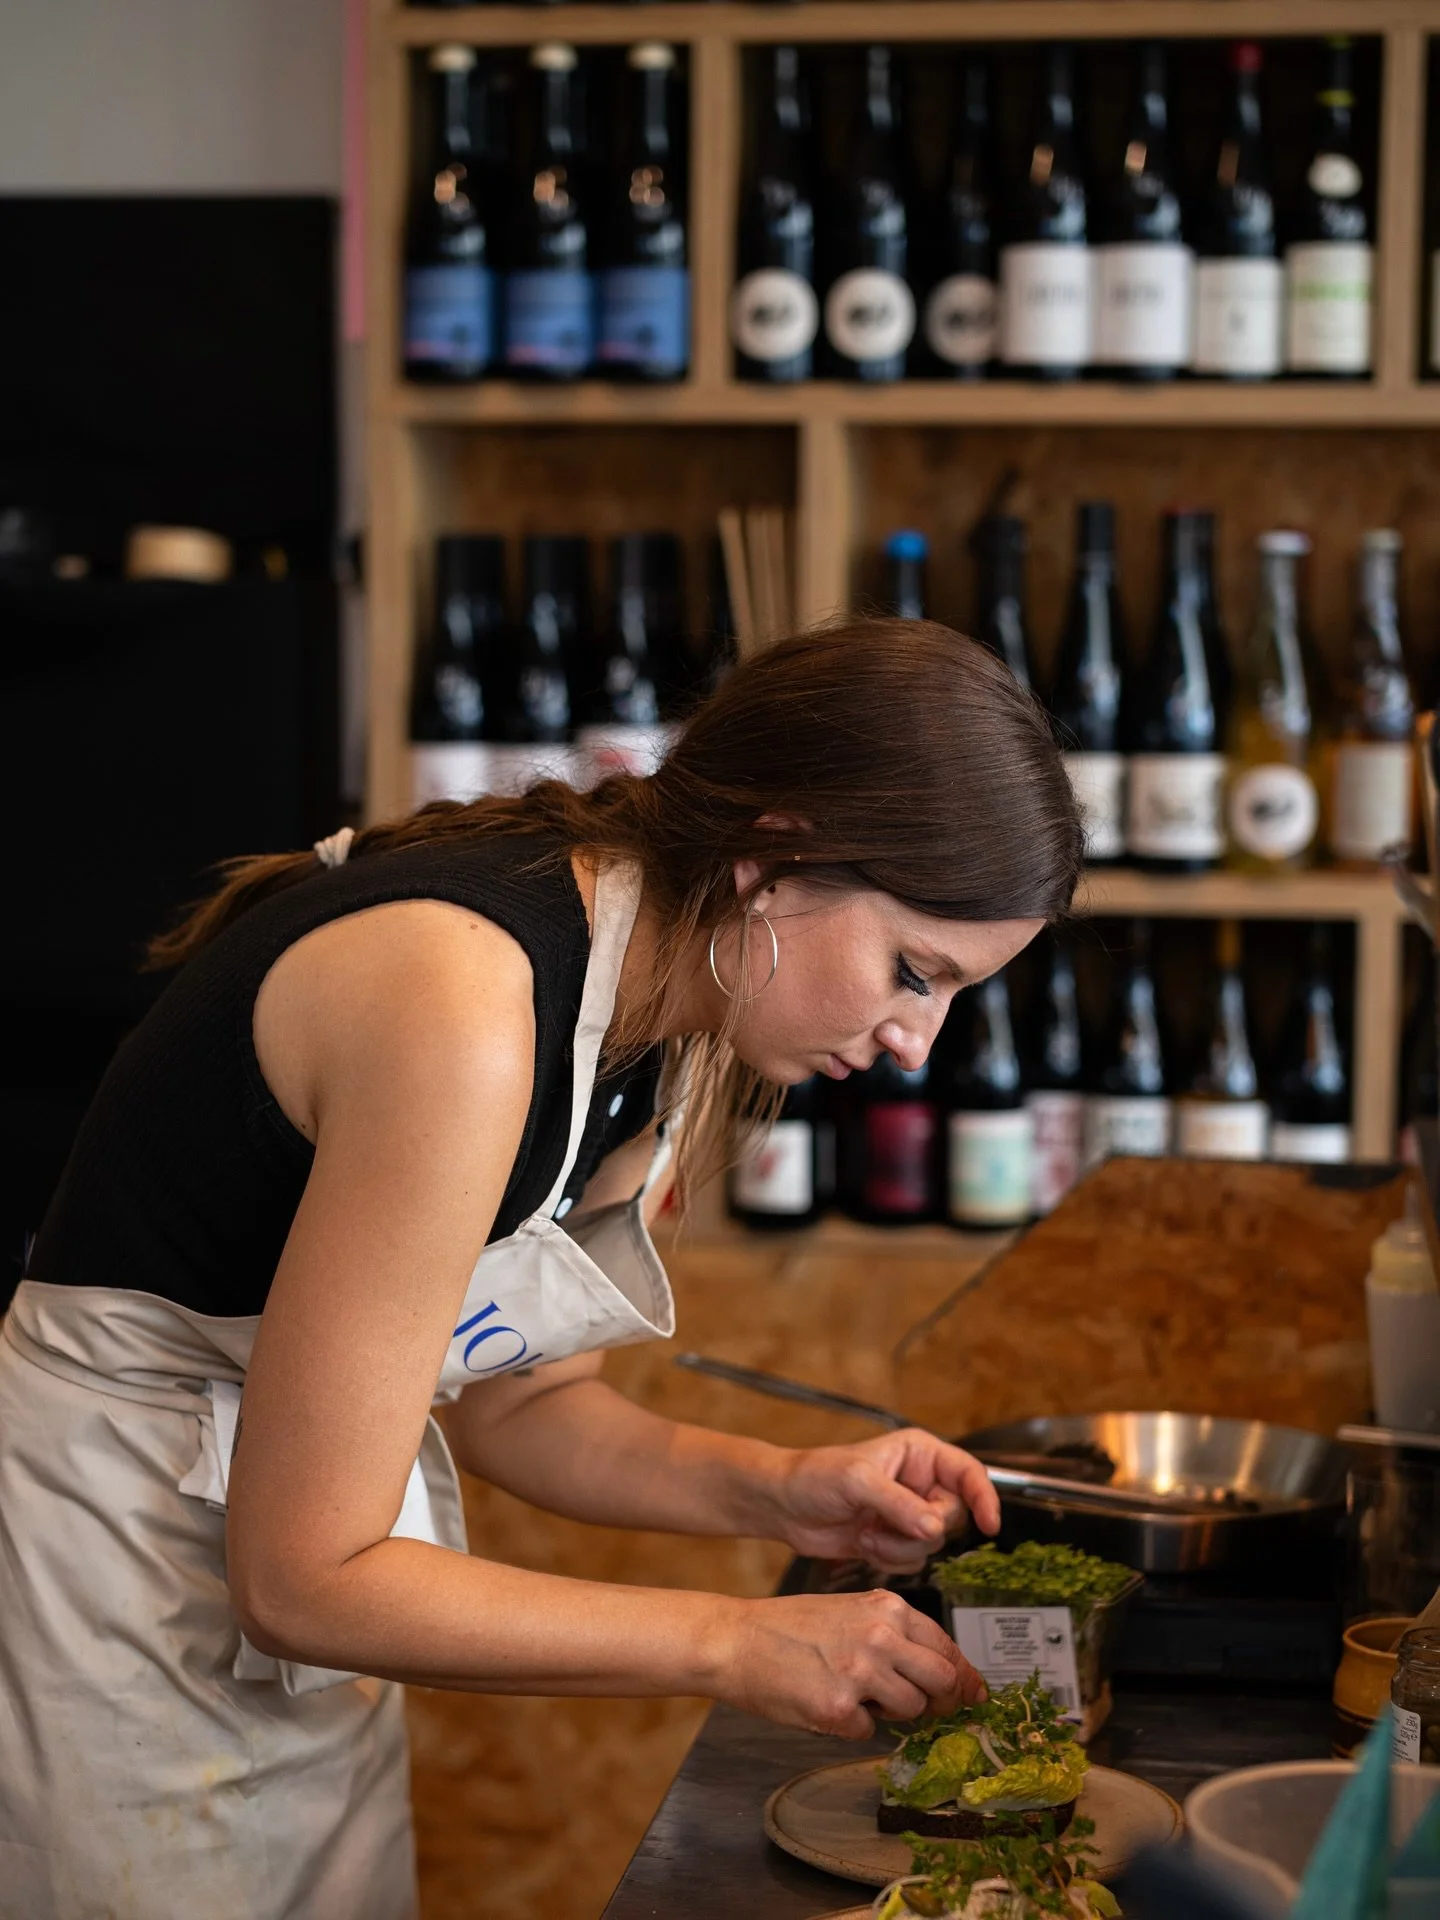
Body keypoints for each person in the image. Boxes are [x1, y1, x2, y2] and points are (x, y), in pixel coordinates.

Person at [0, 618, 1082, 1919]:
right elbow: (301, 1577)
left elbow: (519, 1399)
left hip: (294, 1611)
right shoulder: (465, 1008)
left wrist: (785, 1493)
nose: (919, 1043)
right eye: (915, 972)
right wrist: (733, 1640)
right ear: (776, 859)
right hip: (107, 1595)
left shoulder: (668, 1014)